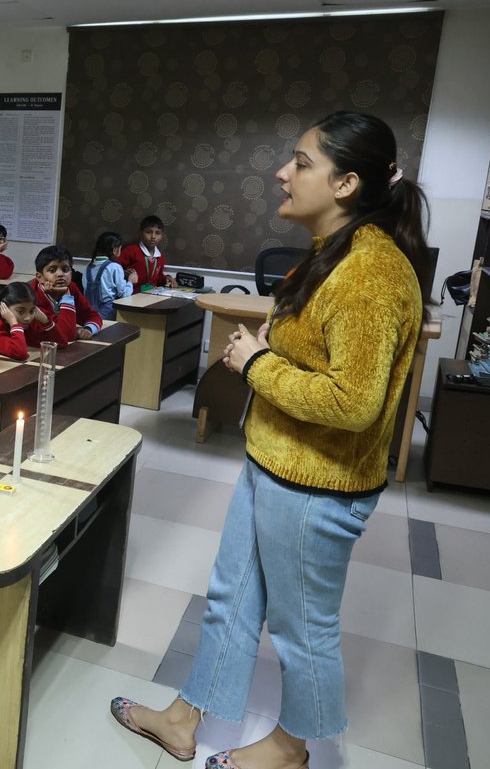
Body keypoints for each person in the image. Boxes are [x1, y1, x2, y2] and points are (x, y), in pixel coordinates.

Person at [110, 112, 429, 769]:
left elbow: (354, 402)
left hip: (317, 487)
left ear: (346, 183)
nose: (283, 173)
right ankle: (183, 716)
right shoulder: (331, 253)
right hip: (274, 466)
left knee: (302, 630)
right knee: (230, 598)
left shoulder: (371, 272)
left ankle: (290, 749)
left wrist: (258, 363)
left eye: (301, 162)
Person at [27, 245, 102, 348]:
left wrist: (88, 329)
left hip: (60, 348)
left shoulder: (71, 287)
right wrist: (66, 297)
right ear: (40, 277)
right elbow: (65, 335)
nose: (60, 274)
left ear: (71, 273)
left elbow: (92, 315)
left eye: (65, 269)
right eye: (52, 270)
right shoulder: (32, 296)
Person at [0, 281, 44, 361]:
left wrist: (46, 321)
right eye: (21, 311)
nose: (28, 318)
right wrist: (13, 322)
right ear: (3, 306)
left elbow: (55, 344)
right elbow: (19, 353)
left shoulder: (23, 320)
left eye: (31, 311)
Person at [84, 231, 136, 321]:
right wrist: (131, 281)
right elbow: (124, 294)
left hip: (88, 313)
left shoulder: (88, 266)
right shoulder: (115, 267)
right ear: (115, 250)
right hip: (108, 312)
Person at [118, 215, 176, 289]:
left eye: (157, 233)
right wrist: (124, 273)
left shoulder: (160, 257)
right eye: (148, 232)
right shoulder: (131, 250)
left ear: (162, 236)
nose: (153, 237)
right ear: (141, 233)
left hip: (150, 296)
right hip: (131, 295)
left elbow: (158, 278)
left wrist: (167, 279)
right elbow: (114, 269)